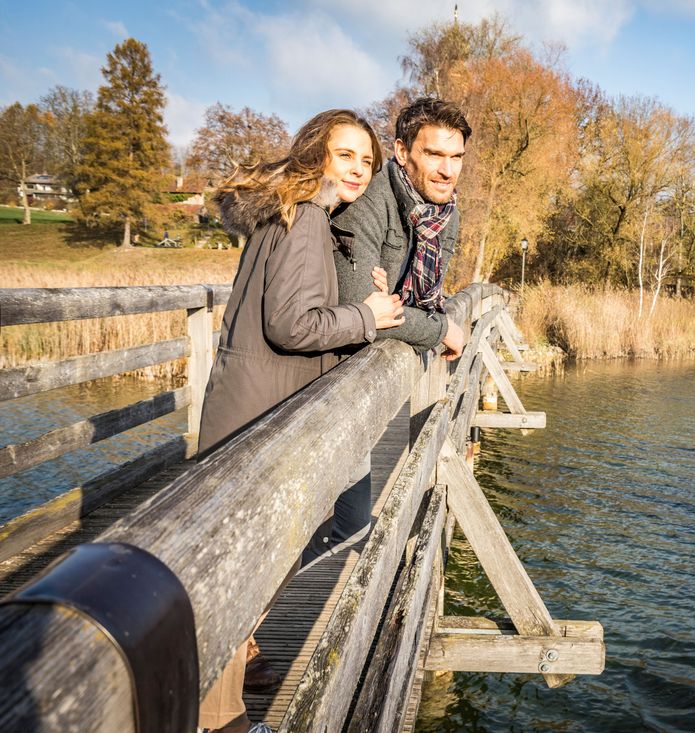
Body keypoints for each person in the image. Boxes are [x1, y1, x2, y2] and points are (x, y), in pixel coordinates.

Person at [196, 109, 404, 733]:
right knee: (241, 569)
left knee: (241, 566)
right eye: (347, 156)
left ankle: (233, 686)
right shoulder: (307, 217)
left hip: (252, 404)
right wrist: (368, 317)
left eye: (368, 161)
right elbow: (292, 326)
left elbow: (289, 313)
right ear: (316, 153)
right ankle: (221, 718)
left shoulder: (287, 212)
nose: (360, 171)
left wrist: (359, 301)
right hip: (262, 415)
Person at [299, 98, 472, 562]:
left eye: (456, 157)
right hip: (326, 373)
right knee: (328, 517)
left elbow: (418, 300)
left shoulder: (445, 213)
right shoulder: (367, 205)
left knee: (349, 518)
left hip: (364, 367)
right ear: (401, 152)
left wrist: (404, 304)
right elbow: (363, 311)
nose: (447, 170)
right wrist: (441, 332)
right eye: (434, 154)